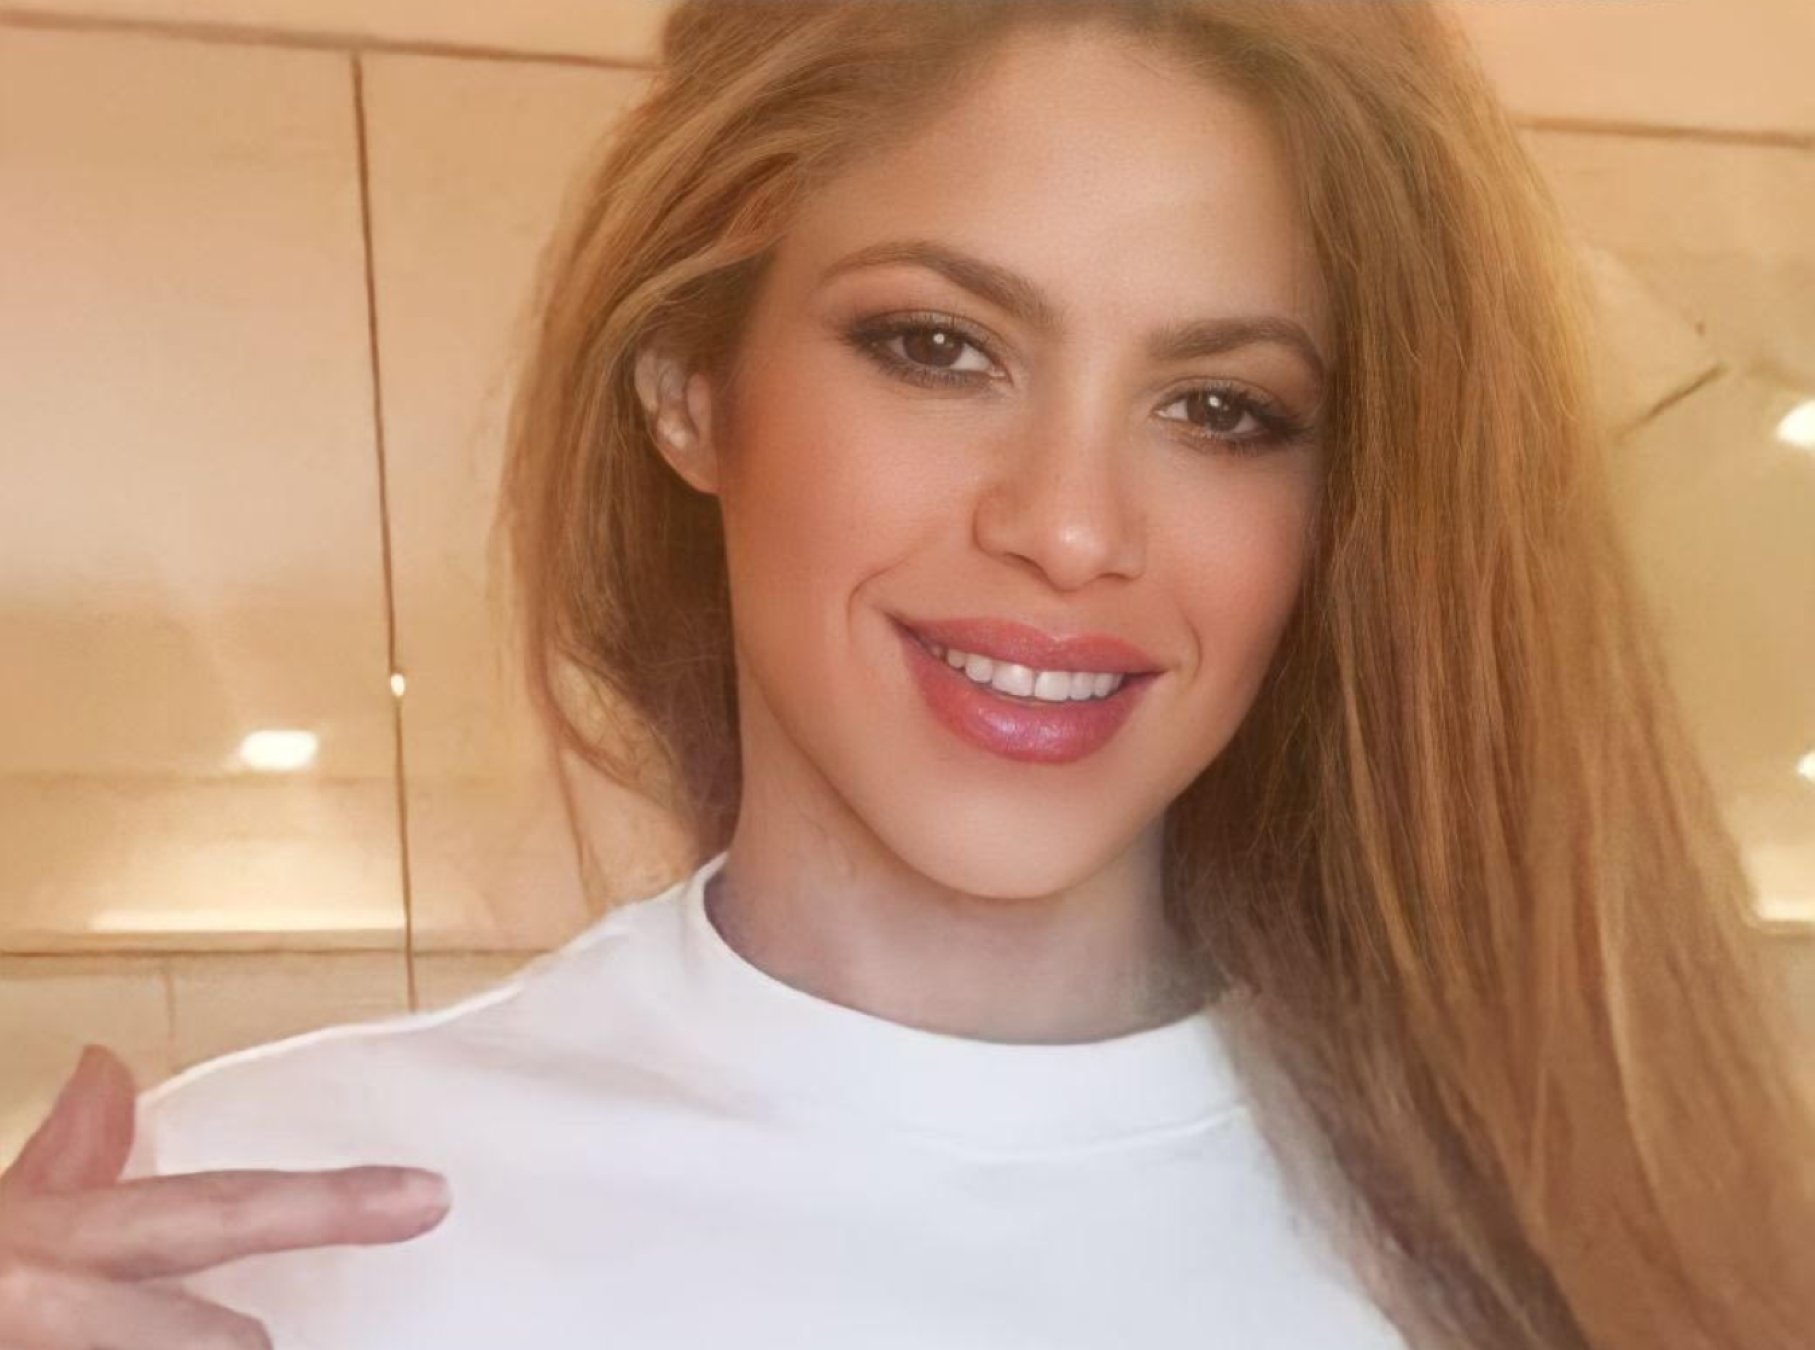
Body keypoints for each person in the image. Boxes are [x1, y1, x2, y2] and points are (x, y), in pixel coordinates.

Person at [1, 1, 1810, 1346]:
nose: (1071, 528)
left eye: (1220, 408)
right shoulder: (241, 1226)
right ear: (692, 387)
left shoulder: (1612, 1228)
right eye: (939, 346)